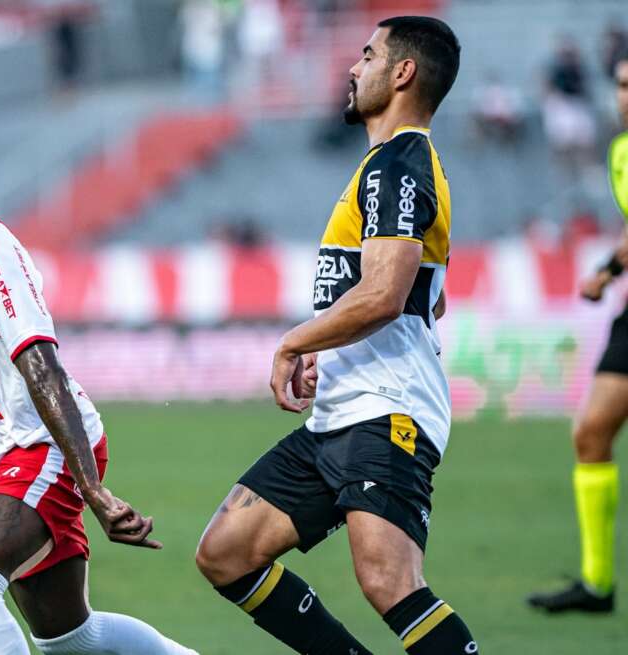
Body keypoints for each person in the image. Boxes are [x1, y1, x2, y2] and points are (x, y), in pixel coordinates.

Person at [0, 90, 197, 655]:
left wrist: (92, 489)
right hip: (5, 453)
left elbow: (42, 367)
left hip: (47, 444)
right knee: (73, 641)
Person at [195, 16, 479, 654]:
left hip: (387, 409)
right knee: (227, 552)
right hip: (343, 408)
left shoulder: (399, 165)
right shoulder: (388, 166)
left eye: (368, 54)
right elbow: (412, 299)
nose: (353, 68)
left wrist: (295, 342)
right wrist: (332, 348)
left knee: (390, 581)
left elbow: (383, 294)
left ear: (402, 73)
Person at [527, 51, 628, 615]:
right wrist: (609, 272)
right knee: (591, 432)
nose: (625, 95)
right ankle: (597, 584)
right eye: (620, 83)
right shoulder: (620, 154)